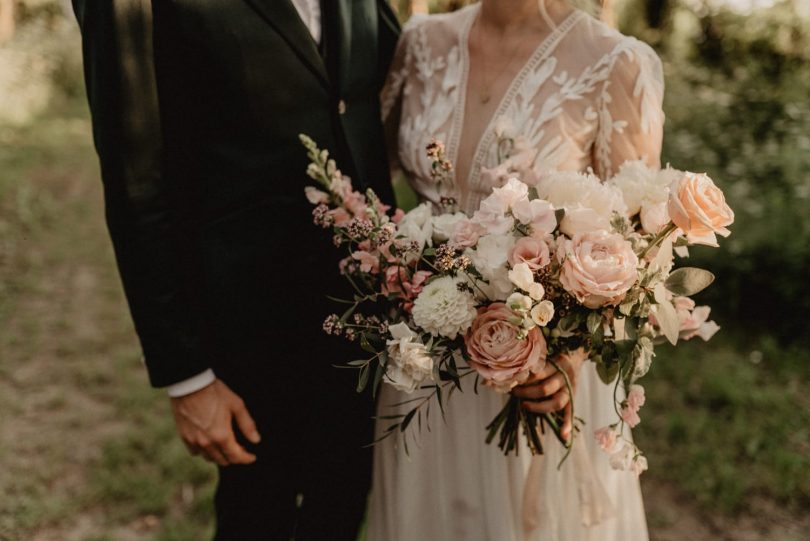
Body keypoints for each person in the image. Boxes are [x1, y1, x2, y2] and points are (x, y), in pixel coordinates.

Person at [71, 1, 398, 538]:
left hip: (367, 320)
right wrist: (187, 377)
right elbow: (136, 184)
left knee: (340, 509)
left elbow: (372, 80)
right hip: (245, 334)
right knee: (257, 518)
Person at [370, 0, 664, 539]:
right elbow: (366, 167)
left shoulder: (616, 62)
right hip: (422, 366)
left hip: (538, 378)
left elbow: (635, 256)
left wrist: (567, 364)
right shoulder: (419, 42)